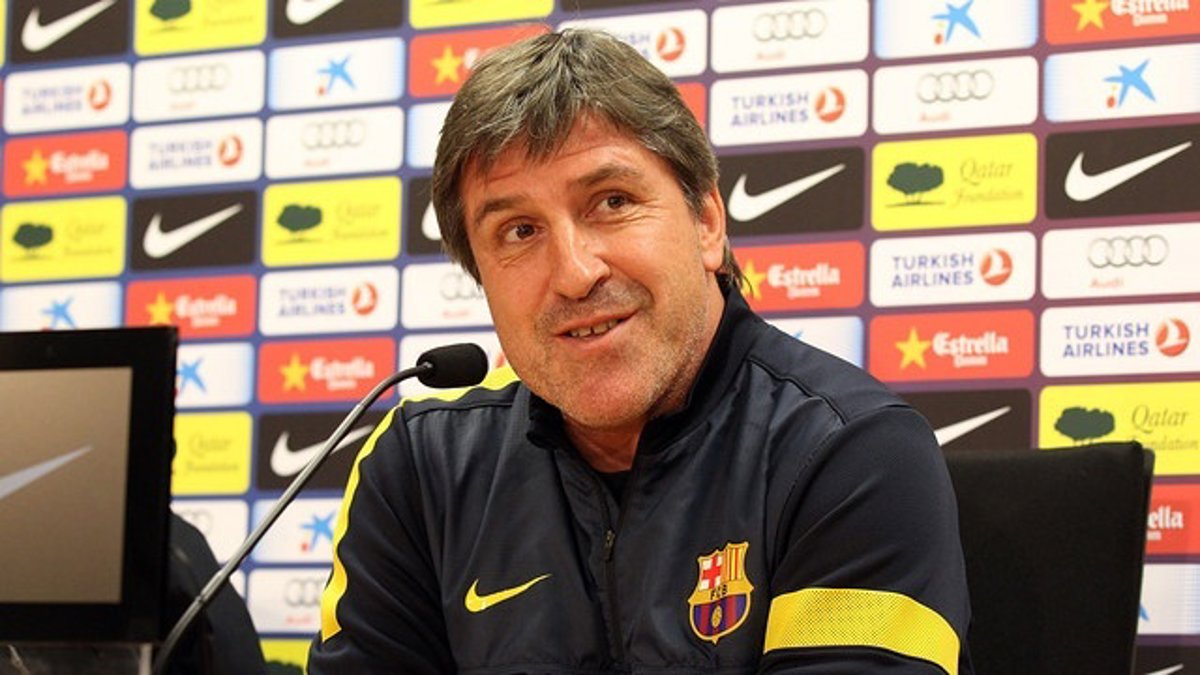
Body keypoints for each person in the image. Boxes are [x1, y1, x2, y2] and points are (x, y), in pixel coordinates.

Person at [308, 29, 972, 674]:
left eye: (612, 201)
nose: (575, 273)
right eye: (519, 231)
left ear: (706, 221)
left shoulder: (850, 451)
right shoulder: (421, 468)